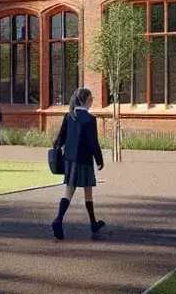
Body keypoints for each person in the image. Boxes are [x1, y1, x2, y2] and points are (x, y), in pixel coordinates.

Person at [51, 86, 105, 240]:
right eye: (92, 100)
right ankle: (62, 220)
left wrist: (56, 150)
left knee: (76, 191)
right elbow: (93, 143)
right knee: (81, 191)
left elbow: (60, 138)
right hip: (84, 161)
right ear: (87, 101)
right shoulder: (90, 119)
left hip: (70, 160)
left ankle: (88, 222)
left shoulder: (69, 116)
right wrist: (99, 161)